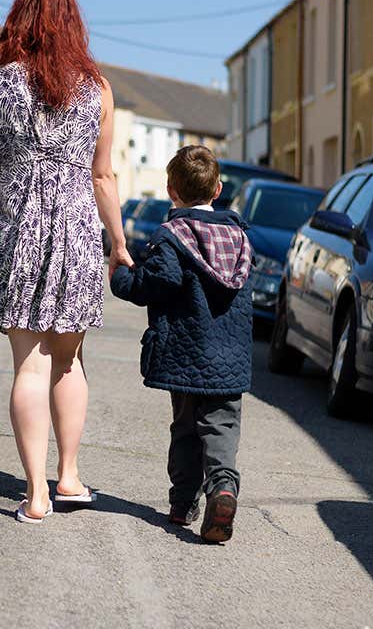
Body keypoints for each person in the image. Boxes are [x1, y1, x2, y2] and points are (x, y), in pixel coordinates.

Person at [0, 0, 133, 523]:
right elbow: (103, 175)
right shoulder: (98, 89)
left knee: (28, 367)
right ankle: (70, 476)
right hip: (78, 232)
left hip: (16, 233)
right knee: (69, 360)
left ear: (20, 18)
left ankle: (35, 493)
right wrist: (119, 242)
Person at [109, 146, 253, 543]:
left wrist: (121, 276)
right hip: (230, 359)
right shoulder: (241, 239)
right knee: (221, 428)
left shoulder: (173, 236)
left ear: (171, 190)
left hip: (187, 354)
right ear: (219, 189)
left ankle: (182, 504)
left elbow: (159, 281)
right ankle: (223, 489)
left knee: (187, 429)